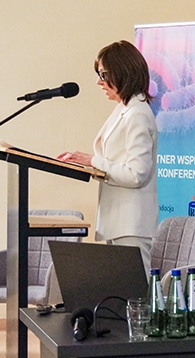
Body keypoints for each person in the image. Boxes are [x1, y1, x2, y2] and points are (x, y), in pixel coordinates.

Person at [58, 40, 158, 268]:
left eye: (103, 74)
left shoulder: (137, 114)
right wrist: (85, 164)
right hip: (118, 220)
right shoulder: (124, 108)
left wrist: (92, 161)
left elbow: (137, 174)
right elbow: (114, 163)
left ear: (122, 72)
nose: (99, 82)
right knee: (118, 296)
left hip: (131, 222)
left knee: (133, 298)